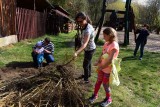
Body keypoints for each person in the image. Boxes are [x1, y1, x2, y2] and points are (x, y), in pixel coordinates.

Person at [89, 27, 119, 107]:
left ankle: (108, 99)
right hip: (102, 67)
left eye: (104, 35)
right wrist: (98, 61)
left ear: (110, 35)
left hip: (107, 69)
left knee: (105, 84)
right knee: (98, 81)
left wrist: (102, 67)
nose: (103, 37)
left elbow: (110, 60)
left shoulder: (114, 45)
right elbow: (102, 53)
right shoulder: (106, 43)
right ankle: (95, 95)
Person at [74, 12, 96, 83]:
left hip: (90, 49)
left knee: (85, 65)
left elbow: (85, 44)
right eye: (78, 21)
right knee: (88, 62)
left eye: (80, 21)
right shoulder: (85, 26)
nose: (79, 23)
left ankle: (86, 80)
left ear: (85, 19)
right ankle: (88, 74)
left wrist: (77, 53)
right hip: (87, 49)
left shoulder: (88, 30)